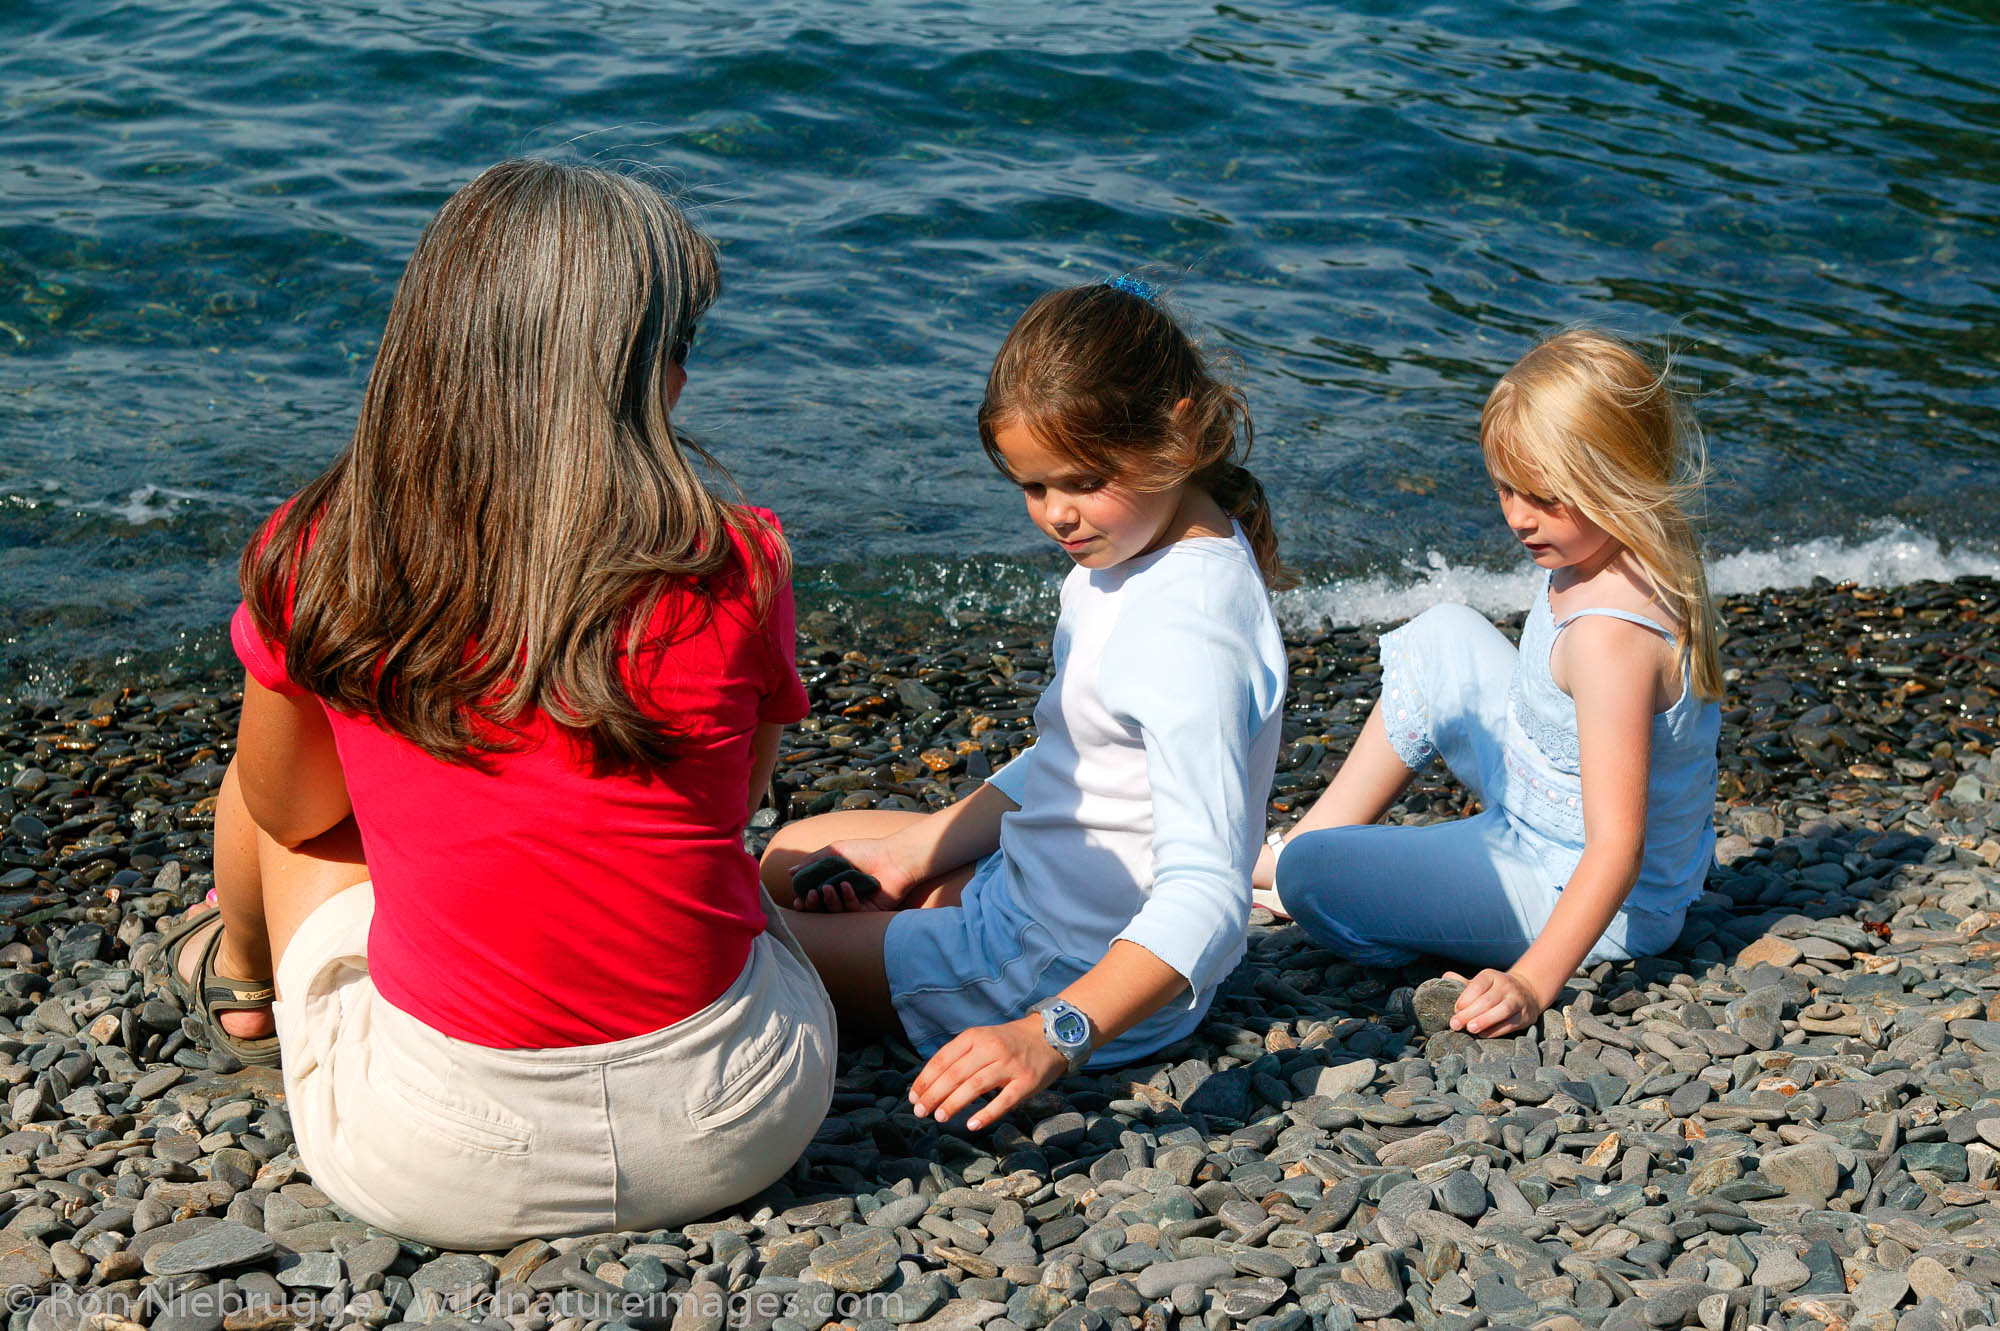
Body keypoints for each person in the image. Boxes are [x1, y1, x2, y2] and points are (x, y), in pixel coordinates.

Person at [153, 159, 835, 1249]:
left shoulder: (325, 551)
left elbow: (288, 814)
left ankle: (237, 977)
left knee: (281, 788)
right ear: (630, 371)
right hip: (737, 1121)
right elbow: (738, 798)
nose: (685, 382)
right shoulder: (741, 556)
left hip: (440, 1157)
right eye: (677, 350)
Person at [760, 277, 1290, 1131]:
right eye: (1032, 486)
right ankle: (921, 897)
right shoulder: (1128, 549)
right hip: (1027, 892)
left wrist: (1049, 1035)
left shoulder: (1188, 630)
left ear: (1179, 430)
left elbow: (1211, 896)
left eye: (1081, 481)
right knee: (788, 853)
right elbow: (1068, 758)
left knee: (739, 935)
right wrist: (910, 856)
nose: (1056, 516)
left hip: (1053, 974)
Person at [1256, 329, 1721, 1038]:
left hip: (1577, 888)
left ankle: (1302, 872)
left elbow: (1616, 848)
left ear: (1615, 479)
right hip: (1542, 795)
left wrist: (1532, 980)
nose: (1516, 516)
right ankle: (1300, 842)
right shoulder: (1606, 543)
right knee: (1444, 629)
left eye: (1541, 496)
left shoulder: (1610, 638)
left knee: (1315, 877)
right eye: (1505, 488)